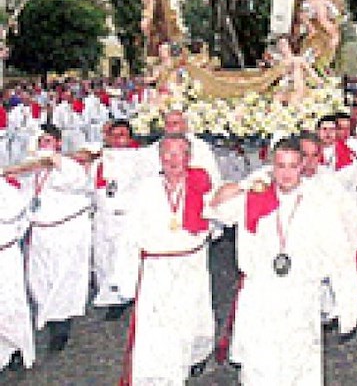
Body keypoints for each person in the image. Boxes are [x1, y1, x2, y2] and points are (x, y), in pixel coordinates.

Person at [209, 137, 357, 384]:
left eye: (292, 166)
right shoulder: (254, 198)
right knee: (260, 369)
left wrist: (348, 307)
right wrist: (246, 184)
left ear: (302, 167)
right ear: (271, 167)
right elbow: (213, 207)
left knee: (299, 369)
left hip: (301, 296)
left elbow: (340, 256)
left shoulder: (319, 203)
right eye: (280, 166)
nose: (286, 173)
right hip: (262, 297)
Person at [120, 134, 216, 385]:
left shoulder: (201, 186)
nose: (173, 160)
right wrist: (127, 276)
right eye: (168, 154)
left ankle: (194, 356)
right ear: (159, 158)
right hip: (156, 266)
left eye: (179, 154)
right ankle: (157, 376)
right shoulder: (144, 188)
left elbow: (218, 218)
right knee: (155, 326)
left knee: (190, 319)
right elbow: (130, 233)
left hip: (190, 263)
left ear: (189, 157)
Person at [25, 124, 93, 352]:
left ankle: (61, 328)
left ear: (58, 143)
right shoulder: (34, 171)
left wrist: (55, 158)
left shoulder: (70, 166)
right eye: (40, 142)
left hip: (65, 232)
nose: (43, 146)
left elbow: (77, 180)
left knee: (63, 280)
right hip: (40, 233)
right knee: (39, 280)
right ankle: (49, 317)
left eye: (48, 141)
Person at [91, 120, 141, 320]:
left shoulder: (138, 160)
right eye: (115, 135)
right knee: (103, 259)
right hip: (103, 216)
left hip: (126, 216)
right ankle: (107, 294)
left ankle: (123, 297)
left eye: (123, 135)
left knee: (124, 260)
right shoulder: (98, 162)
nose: (119, 140)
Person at [0, 176, 34, 371]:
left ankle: (17, 349)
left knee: (10, 305)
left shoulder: (7, 187)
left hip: (5, 255)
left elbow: (12, 212)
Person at [272, 34, 323, 106]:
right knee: (276, 101)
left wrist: (318, 81)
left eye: (284, 45)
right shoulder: (280, 62)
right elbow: (274, 77)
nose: (281, 47)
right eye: (279, 45)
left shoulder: (298, 59)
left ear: (289, 46)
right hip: (284, 88)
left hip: (297, 87)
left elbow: (310, 71)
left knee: (293, 103)